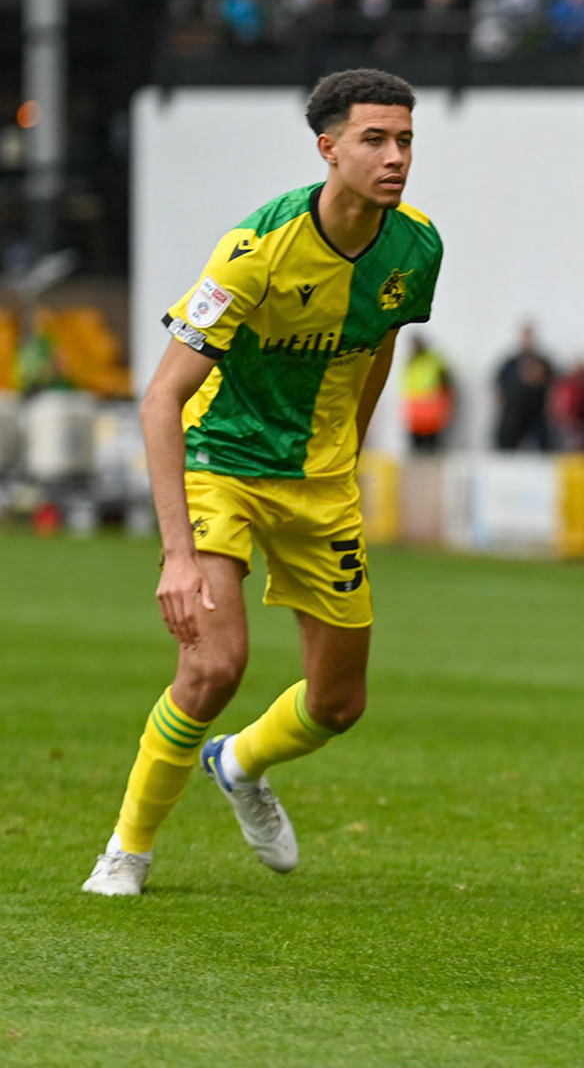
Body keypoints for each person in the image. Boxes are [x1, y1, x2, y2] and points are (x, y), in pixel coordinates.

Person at [83, 68, 443, 896]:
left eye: (405, 140)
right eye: (375, 140)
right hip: (224, 464)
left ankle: (239, 763)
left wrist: (349, 453)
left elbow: (381, 343)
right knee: (216, 666)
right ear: (329, 149)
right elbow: (160, 400)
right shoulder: (255, 251)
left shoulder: (418, 246)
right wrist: (178, 555)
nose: (396, 157)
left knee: (339, 703)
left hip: (320, 485)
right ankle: (127, 850)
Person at [401, 335, 455, 452]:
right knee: (416, 441)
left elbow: (445, 380)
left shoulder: (433, 360)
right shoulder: (411, 361)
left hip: (431, 405)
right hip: (416, 407)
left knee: (432, 441)